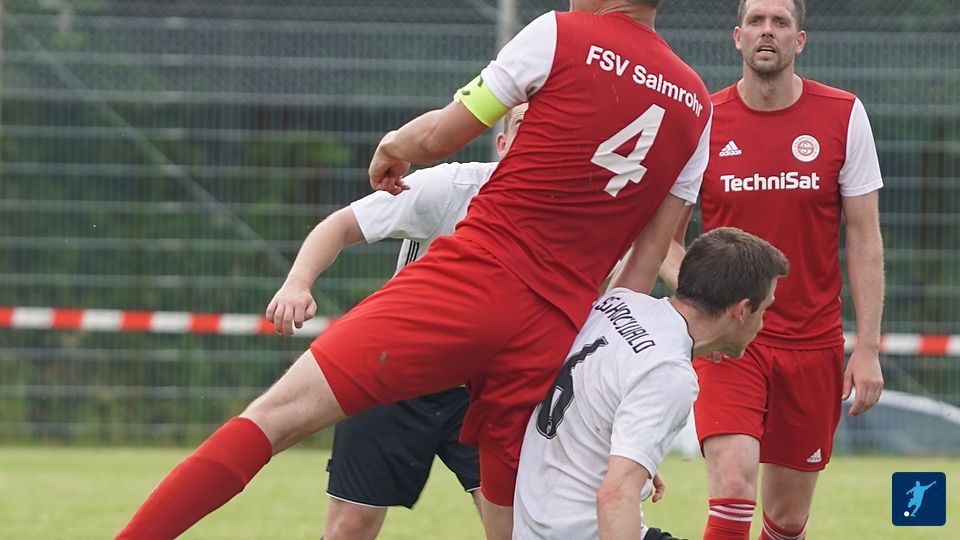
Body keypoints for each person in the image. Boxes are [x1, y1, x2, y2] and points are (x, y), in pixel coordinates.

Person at [116, 1, 712, 539]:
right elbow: (649, 258)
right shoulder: (697, 105)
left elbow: (438, 137)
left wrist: (393, 145)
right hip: (556, 328)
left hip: (476, 280)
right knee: (517, 526)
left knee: (275, 418)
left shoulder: (561, 33)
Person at [645, 1, 885, 538]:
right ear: (738, 36)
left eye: (781, 22)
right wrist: (707, 305)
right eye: (756, 21)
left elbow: (864, 236)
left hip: (812, 343)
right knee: (733, 487)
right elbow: (663, 242)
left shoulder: (844, 115)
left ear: (800, 40)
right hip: (728, 342)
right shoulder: (704, 121)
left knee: (788, 518)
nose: (767, 31)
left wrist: (867, 347)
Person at [265, 104, 525, 539]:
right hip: (396, 374)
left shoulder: (575, 211)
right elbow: (341, 224)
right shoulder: (451, 186)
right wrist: (297, 283)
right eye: (522, 124)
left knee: (516, 526)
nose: (535, 132)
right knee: (350, 526)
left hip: (487, 389)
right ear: (502, 144)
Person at [514, 227, 789, 540]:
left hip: (538, 521)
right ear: (741, 311)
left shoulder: (620, 303)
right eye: (764, 309)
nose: (762, 323)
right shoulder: (669, 372)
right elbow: (615, 496)